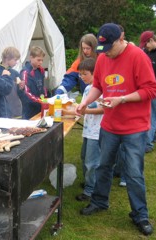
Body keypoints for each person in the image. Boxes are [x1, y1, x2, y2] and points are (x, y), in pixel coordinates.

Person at [77, 23, 156, 236]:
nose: (106, 54)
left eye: (110, 48)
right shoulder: (103, 58)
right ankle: (99, 201)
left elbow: (151, 90)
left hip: (134, 127)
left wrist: (121, 99)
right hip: (109, 126)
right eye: (102, 50)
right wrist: (86, 102)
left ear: (121, 39)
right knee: (103, 166)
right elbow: (98, 86)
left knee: (133, 173)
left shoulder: (138, 56)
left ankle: (140, 214)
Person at [62, 58, 103, 201]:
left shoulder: (101, 90)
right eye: (80, 74)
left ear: (95, 73)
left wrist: (83, 112)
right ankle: (88, 182)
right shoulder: (86, 89)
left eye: (84, 74)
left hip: (97, 132)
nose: (81, 77)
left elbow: (102, 110)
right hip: (88, 130)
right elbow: (83, 106)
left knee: (92, 162)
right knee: (85, 157)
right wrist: (71, 109)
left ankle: (91, 190)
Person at [139, 31, 156, 152]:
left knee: (151, 117)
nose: (145, 47)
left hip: (155, 92)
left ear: (151, 40)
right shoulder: (146, 52)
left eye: (146, 44)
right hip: (145, 90)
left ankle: (147, 145)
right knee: (149, 115)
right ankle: (152, 137)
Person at [18, 46, 48, 119]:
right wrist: (39, 100)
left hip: (39, 106)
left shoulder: (41, 70)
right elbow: (26, 92)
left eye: (42, 60)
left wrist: (45, 97)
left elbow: (42, 87)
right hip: (29, 108)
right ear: (31, 58)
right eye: (38, 60)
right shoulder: (25, 72)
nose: (40, 62)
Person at [0, 46, 23, 118]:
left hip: (16, 110)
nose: (16, 63)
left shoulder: (15, 73)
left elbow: (20, 93)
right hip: (3, 112)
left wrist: (22, 88)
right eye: (15, 60)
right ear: (7, 58)